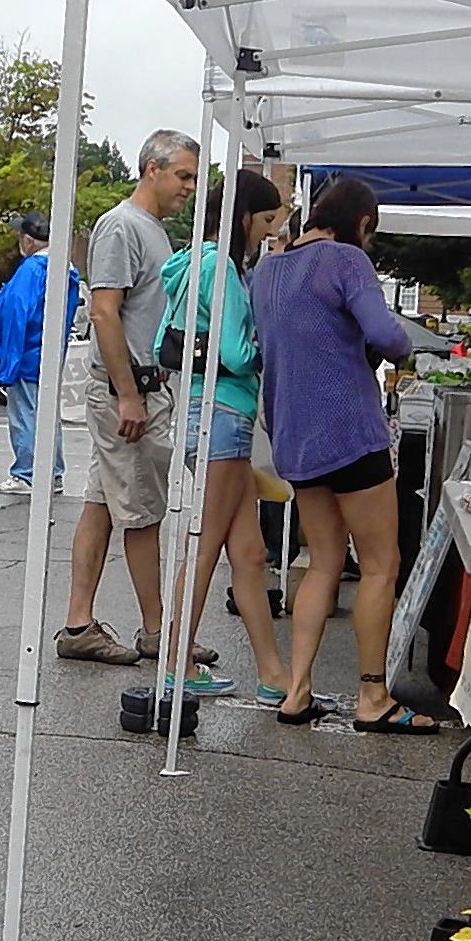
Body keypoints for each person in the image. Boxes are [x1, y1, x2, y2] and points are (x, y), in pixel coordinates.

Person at [249, 176, 430, 732]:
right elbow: (388, 336)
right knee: (379, 564)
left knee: (323, 561)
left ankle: (297, 690)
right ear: (363, 222)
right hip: (350, 433)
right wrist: (399, 342)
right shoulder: (347, 261)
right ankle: (373, 697)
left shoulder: (267, 270)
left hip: (296, 436)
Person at [57, 129, 203, 666]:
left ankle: (79, 624)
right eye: (183, 175)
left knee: (102, 503)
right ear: (151, 169)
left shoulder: (152, 230)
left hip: (140, 388)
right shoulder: (121, 226)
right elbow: (104, 311)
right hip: (129, 391)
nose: (189, 187)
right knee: (142, 512)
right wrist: (127, 394)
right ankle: (157, 631)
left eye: (193, 178)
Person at [157, 169, 294, 701]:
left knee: (248, 551)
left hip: (204, 413)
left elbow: (166, 341)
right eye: (266, 220)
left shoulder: (191, 263)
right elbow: (236, 352)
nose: (268, 232)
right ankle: (177, 659)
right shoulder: (223, 268)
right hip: (224, 415)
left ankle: (272, 674)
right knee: (208, 543)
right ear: (244, 217)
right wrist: (268, 348)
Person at [0, 212, 80, 495]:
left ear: (28, 240)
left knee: (25, 413)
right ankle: (53, 473)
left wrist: (10, 359)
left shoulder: (31, 269)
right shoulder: (65, 268)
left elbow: (15, 311)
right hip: (49, 350)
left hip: (27, 351)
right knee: (47, 414)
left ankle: (26, 473)